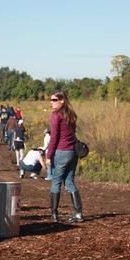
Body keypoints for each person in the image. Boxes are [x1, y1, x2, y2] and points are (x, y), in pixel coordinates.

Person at [46, 91, 83, 223]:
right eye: (51, 100)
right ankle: (78, 213)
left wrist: (49, 155)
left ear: (62, 101)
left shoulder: (56, 115)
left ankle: (54, 215)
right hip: (73, 152)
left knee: (56, 181)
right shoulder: (71, 115)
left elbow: (54, 137)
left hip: (61, 151)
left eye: (54, 100)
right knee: (69, 182)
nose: (51, 102)